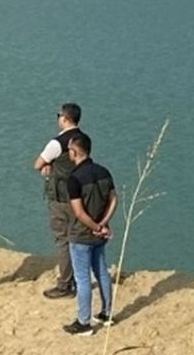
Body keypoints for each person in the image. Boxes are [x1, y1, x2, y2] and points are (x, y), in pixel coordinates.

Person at [62, 132, 117, 336]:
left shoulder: (74, 179)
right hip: (99, 233)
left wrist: (94, 225)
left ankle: (84, 322)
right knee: (102, 271)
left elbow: (78, 212)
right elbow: (114, 200)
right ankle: (107, 313)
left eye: (69, 150)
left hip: (81, 235)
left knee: (83, 278)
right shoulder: (104, 172)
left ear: (75, 152)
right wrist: (103, 223)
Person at [33, 102, 87, 299]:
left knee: (63, 240)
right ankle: (79, 279)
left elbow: (37, 163)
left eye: (58, 115)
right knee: (79, 238)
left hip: (62, 197)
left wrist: (48, 166)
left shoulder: (57, 143)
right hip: (81, 195)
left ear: (65, 118)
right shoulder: (84, 139)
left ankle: (65, 284)